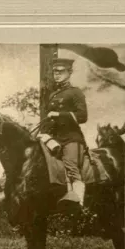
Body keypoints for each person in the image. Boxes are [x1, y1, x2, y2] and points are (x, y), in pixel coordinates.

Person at [38, 55, 88, 206]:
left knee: (71, 166)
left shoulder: (75, 92)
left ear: (69, 72)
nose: (57, 74)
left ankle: (78, 202)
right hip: (55, 138)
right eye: (55, 72)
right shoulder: (53, 95)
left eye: (60, 71)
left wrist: (60, 114)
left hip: (71, 138)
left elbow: (83, 116)